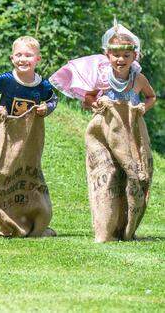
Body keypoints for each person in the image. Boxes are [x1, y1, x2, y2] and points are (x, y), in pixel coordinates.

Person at [51, 20, 156, 242]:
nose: (121, 60)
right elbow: (88, 98)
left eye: (126, 56)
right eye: (116, 55)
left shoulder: (138, 79)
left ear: (134, 57)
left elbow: (151, 96)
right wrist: (95, 104)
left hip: (131, 134)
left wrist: (142, 108)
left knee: (136, 176)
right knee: (108, 175)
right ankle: (106, 230)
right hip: (105, 133)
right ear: (108, 55)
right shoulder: (102, 77)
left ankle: (127, 229)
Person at [0, 36, 57, 238]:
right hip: (7, 135)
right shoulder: (5, 80)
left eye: (28, 55)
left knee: (27, 173)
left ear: (38, 59)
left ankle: (33, 217)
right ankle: (7, 221)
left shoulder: (43, 86)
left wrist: (46, 108)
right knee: (4, 172)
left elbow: (53, 100)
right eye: (19, 55)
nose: (23, 59)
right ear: (12, 58)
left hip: (30, 138)